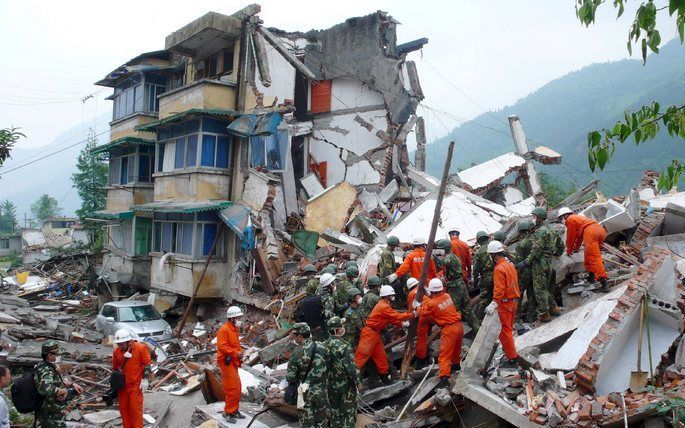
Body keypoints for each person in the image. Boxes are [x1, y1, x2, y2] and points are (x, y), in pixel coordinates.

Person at [354, 285, 416, 384]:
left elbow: (391, 319)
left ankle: (385, 379)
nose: (393, 297)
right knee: (361, 358)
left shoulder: (384, 305)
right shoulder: (383, 306)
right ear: (386, 296)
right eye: (391, 295)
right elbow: (396, 316)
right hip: (369, 334)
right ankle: (351, 379)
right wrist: (412, 314)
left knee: (381, 357)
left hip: (375, 334)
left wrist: (402, 324)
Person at [414, 278, 464, 388]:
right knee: (456, 350)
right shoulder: (447, 296)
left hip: (449, 329)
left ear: (431, 291)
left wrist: (416, 307)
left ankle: (444, 378)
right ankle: (456, 367)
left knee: (444, 355)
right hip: (459, 326)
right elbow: (438, 300)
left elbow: (423, 312)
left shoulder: (432, 303)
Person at [517, 207, 562, 322]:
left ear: (540, 218)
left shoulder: (540, 231)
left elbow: (537, 249)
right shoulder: (552, 230)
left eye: (535, 217)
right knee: (543, 288)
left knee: (539, 290)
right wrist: (555, 253)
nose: (533, 219)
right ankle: (554, 308)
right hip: (548, 262)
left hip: (539, 263)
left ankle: (544, 314)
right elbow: (560, 246)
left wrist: (526, 262)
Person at [485, 241, 521, 369]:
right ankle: (511, 355)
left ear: (494, 255)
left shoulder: (499, 269)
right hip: (513, 302)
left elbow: (499, 289)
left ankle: (512, 359)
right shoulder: (509, 265)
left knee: (505, 332)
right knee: (508, 330)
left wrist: (494, 303)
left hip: (505, 304)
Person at [287, 322, 330, 428]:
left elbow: (291, 376)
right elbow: (329, 364)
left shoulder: (297, 352)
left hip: (305, 392)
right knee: (322, 420)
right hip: (322, 390)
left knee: (307, 422)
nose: (294, 338)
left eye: (295, 336)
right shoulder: (322, 346)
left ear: (300, 336)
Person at [558, 207, 609, 291]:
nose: (562, 220)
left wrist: (569, 250)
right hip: (600, 230)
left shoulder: (570, 219)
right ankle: (591, 277)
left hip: (591, 232)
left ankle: (603, 281)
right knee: (589, 255)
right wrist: (576, 249)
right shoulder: (578, 219)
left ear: (565, 216)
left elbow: (571, 237)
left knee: (593, 257)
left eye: (561, 218)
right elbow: (578, 238)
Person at [34, 340, 83, 428]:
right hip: (50, 414)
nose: (59, 356)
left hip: (55, 412)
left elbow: (54, 382)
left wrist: (72, 385)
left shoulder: (48, 366)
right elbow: (47, 388)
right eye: (57, 354)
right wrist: (63, 391)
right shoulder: (46, 370)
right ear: (49, 355)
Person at [112, 329, 153, 428]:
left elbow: (147, 364)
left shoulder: (140, 348)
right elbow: (115, 368)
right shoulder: (117, 352)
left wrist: (145, 379)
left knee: (135, 410)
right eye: (118, 344)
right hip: (122, 387)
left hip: (135, 385)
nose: (120, 346)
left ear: (129, 341)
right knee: (124, 410)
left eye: (122, 344)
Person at [325, 317, 362, 428]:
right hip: (345, 384)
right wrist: (358, 381)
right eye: (341, 326)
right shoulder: (344, 346)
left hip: (331, 384)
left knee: (335, 413)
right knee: (349, 414)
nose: (343, 328)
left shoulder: (324, 345)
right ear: (338, 329)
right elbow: (350, 367)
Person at [437, 239, 480, 333]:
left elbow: (443, 263)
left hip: (455, 287)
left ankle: (452, 332)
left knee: (452, 310)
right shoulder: (454, 256)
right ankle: (478, 329)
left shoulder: (449, 258)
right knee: (467, 310)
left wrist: (436, 256)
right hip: (460, 284)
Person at [216, 306, 245, 423]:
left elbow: (235, 345)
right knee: (232, 388)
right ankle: (228, 412)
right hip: (226, 362)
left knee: (237, 387)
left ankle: (234, 410)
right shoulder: (224, 330)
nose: (239, 319)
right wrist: (236, 353)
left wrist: (240, 353)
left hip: (232, 361)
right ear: (232, 318)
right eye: (238, 317)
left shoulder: (233, 329)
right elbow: (222, 347)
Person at [405, 277, 433, 368]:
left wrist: (409, 321)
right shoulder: (424, 289)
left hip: (423, 316)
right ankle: (426, 355)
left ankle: (422, 360)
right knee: (425, 334)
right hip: (431, 313)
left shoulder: (411, 294)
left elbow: (411, 309)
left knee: (421, 339)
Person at [514, 221, 537, 322]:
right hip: (535, 270)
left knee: (518, 294)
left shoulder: (521, 244)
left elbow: (518, 261)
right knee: (532, 294)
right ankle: (530, 317)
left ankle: (516, 317)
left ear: (520, 231)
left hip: (524, 272)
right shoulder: (535, 240)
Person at [473, 231, 495, 318]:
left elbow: (475, 270)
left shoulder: (478, 253)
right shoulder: (493, 246)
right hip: (497, 274)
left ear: (478, 240)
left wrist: (475, 282)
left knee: (483, 299)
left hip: (486, 278)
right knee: (497, 296)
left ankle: (480, 319)